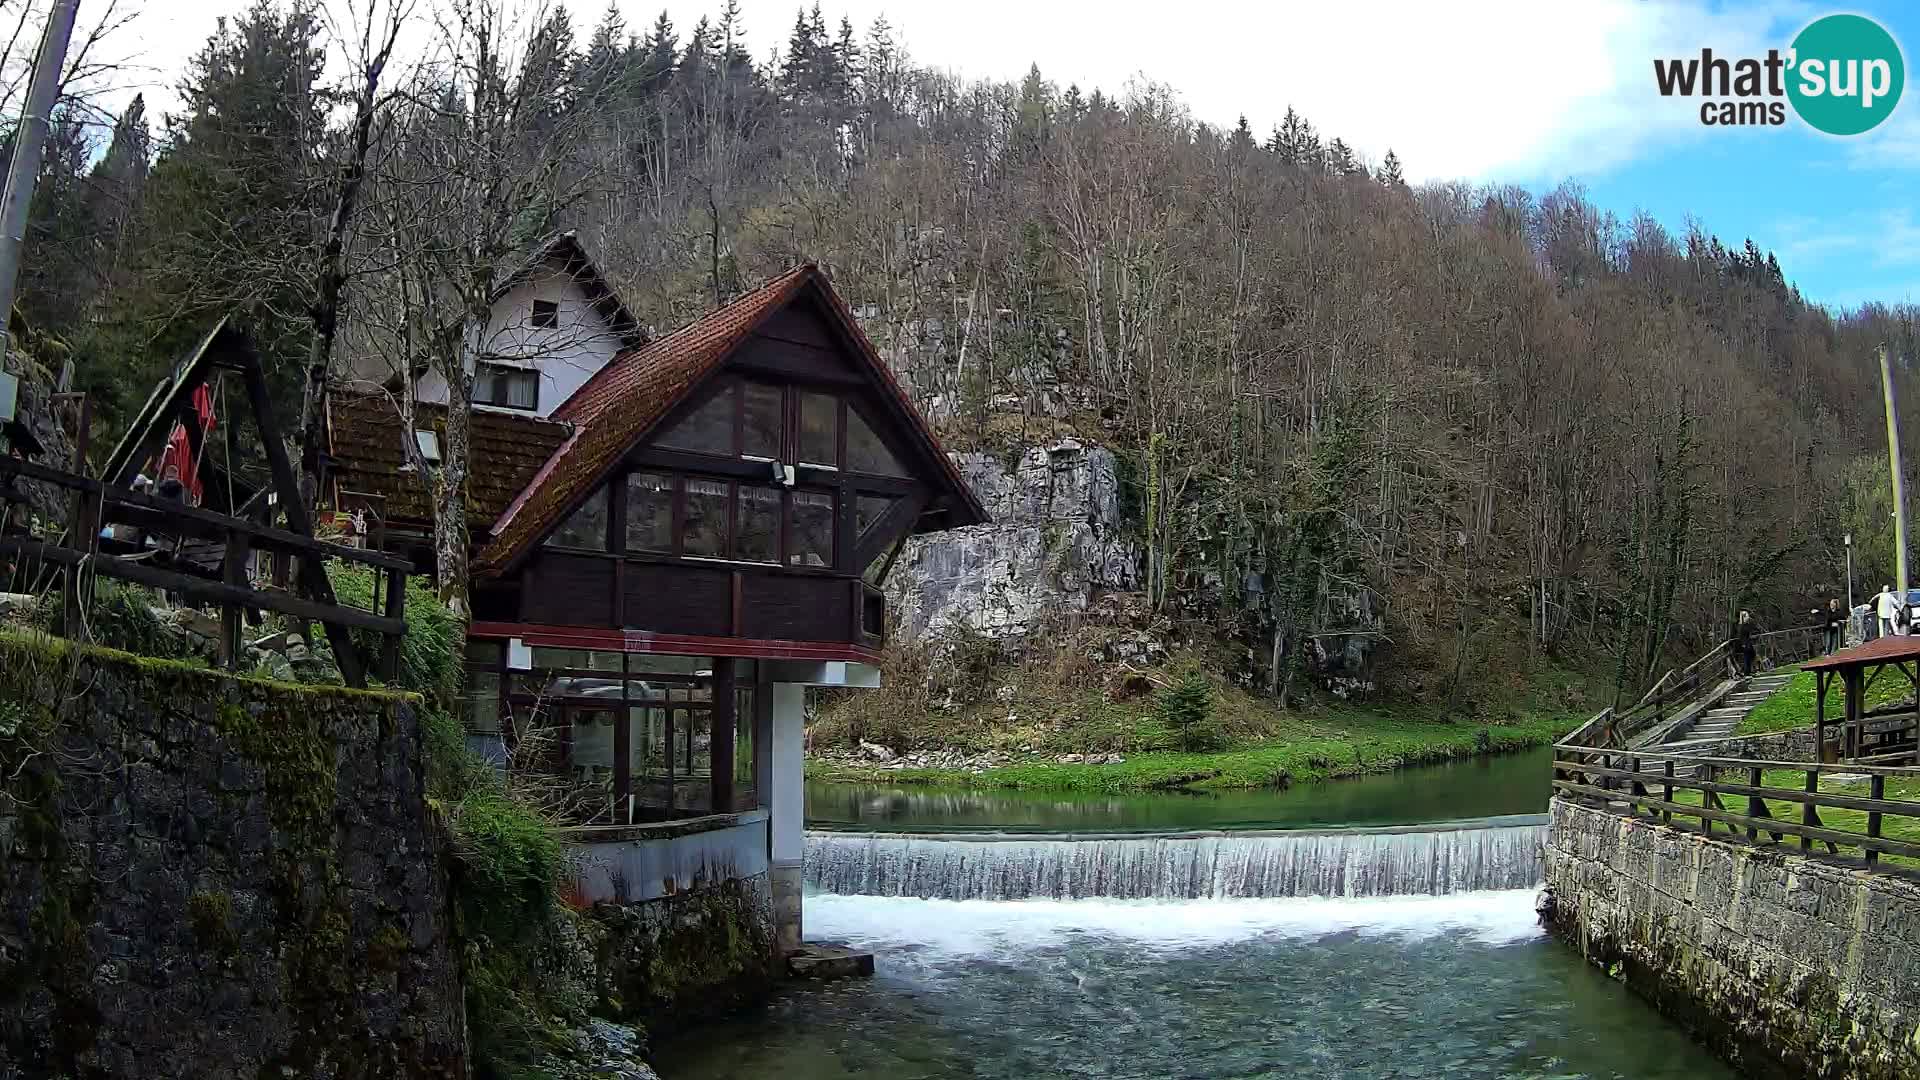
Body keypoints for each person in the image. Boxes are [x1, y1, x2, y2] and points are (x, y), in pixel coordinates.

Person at [1735, 610, 1758, 676]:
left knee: (1751, 655)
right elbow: (1740, 635)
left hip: (1748, 642)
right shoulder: (1741, 625)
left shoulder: (1746, 624)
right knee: (1747, 657)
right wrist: (1743, 644)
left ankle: (1750, 671)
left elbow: (1751, 630)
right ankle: (1747, 672)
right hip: (1745, 643)